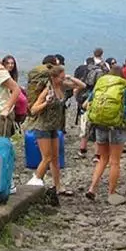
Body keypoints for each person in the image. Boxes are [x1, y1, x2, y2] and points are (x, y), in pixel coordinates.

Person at [85, 66, 126, 200]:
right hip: (117, 127)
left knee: (102, 159)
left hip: (100, 125)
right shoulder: (124, 90)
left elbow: (85, 104)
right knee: (115, 162)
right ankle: (111, 193)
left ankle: (92, 188)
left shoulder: (101, 87)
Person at [26, 65, 85, 197]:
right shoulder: (48, 90)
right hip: (42, 127)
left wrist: (70, 77)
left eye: (64, 77)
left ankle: (58, 187)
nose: (64, 79)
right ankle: (33, 183)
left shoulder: (62, 87)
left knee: (55, 159)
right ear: (53, 77)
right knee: (46, 158)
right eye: (61, 77)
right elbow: (34, 110)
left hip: (54, 127)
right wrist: (46, 102)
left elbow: (82, 86)